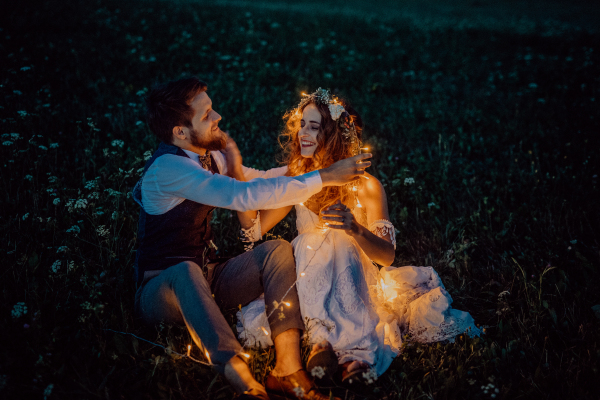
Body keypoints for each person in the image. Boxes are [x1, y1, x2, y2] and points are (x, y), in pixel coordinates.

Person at [132, 78, 372, 400]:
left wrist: (313, 166)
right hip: (162, 288)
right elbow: (243, 195)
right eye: (206, 116)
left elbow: (257, 179)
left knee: (277, 250)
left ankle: (287, 369)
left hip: (209, 275)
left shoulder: (206, 157)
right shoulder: (168, 169)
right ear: (179, 132)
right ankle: (241, 376)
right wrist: (324, 177)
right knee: (186, 271)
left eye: (212, 108)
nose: (217, 117)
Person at [236, 88, 481, 384]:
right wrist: (241, 196)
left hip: (354, 281)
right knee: (312, 241)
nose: (303, 133)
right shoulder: (297, 180)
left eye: (314, 127)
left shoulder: (366, 187)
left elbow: (386, 256)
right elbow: (254, 231)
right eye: (302, 124)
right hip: (308, 276)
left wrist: (354, 228)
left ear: (336, 135)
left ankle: (339, 348)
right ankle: (327, 347)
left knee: (337, 240)